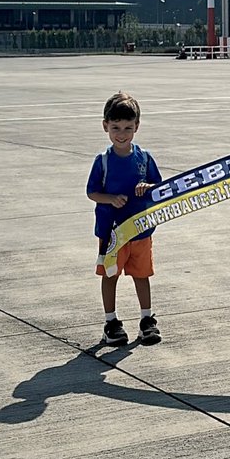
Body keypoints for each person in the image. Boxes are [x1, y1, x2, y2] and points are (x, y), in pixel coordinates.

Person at [86, 91, 163, 346]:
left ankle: (146, 319)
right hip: (112, 233)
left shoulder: (144, 158)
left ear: (137, 127)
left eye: (128, 128)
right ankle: (111, 322)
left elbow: (159, 187)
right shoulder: (103, 161)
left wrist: (147, 187)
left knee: (142, 274)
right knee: (110, 275)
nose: (122, 134)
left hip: (140, 229)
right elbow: (92, 192)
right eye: (116, 127)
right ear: (105, 126)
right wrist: (110, 199)